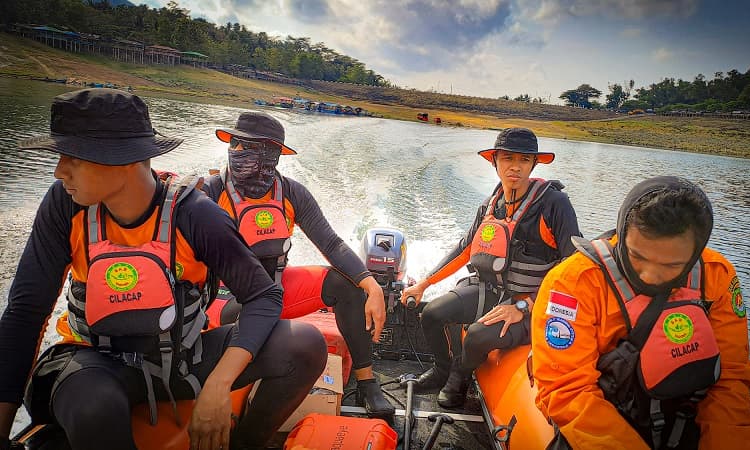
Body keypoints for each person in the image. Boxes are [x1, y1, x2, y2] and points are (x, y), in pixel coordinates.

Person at [0, 88, 328, 450]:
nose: (59, 170)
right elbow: (24, 314)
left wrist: (219, 383)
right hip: (93, 363)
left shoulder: (195, 214)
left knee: (305, 345)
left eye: (72, 158)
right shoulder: (64, 207)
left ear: (121, 159)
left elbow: (263, 296)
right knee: (96, 405)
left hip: (181, 359)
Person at [531, 176, 750, 449]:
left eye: (672, 265)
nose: (651, 275)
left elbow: (730, 380)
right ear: (622, 232)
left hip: (685, 420)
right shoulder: (573, 282)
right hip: (601, 423)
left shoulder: (716, 277)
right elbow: (569, 391)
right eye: (638, 256)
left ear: (695, 253)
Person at [202, 111, 394, 417]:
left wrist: (371, 285)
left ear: (269, 154)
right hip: (226, 296)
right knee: (250, 315)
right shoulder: (209, 193)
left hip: (274, 287)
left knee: (346, 283)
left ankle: (367, 382)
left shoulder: (290, 193)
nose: (234, 151)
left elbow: (331, 243)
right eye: (233, 143)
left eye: (243, 145)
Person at [400, 127, 581, 408]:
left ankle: (459, 376)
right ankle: (441, 369)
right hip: (490, 291)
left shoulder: (555, 204)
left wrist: (523, 307)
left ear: (534, 164)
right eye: (508, 158)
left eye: (524, 160)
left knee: (476, 336)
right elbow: (465, 249)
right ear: (494, 161)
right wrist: (424, 284)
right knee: (432, 314)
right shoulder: (491, 204)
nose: (515, 167)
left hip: (531, 305)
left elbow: (574, 269)